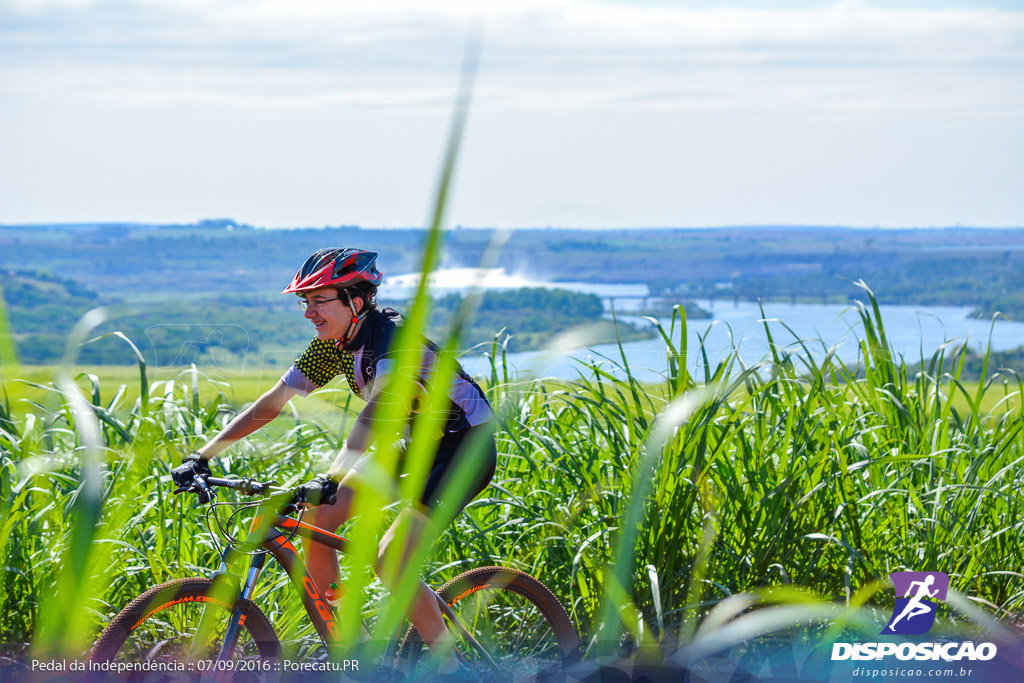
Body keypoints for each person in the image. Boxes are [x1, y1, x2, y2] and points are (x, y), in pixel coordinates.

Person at [171, 248, 496, 677]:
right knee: (318, 519)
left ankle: (455, 671)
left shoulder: (392, 336)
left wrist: (333, 474)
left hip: (465, 447)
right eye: (304, 302)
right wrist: (202, 455)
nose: (308, 312)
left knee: (391, 559)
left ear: (355, 301)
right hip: (415, 444)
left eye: (318, 301)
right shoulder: (333, 345)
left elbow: (375, 415)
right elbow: (271, 404)